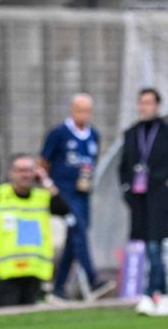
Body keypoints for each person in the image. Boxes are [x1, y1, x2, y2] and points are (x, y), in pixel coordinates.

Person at [118, 88, 168, 316]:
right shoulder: (132, 133)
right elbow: (123, 166)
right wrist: (126, 188)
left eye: (148, 103)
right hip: (138, 199)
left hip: (160, 199)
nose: (144, 107)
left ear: (157, 106)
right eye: (141, 103)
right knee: (142, 246)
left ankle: (158, 293)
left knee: (158, 246)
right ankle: (147, 293)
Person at [41, 93, 114, 300]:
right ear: (72, 111)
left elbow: (91, 163)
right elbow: (43, 162)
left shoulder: (93, 135)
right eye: (80, 110)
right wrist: (49, 186)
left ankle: (58, 288)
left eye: (87, 111)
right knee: (78, 232)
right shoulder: (59, 133)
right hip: (64, 194)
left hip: (83, 194)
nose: (84, 115)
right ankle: (93, 280)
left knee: (74, 239)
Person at [0, 154, 71, 307]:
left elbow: (64, 209)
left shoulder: (42, 197)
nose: (25, 175)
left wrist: (46, 181)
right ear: (11, 173)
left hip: (34, 268)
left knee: (29, 314)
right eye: (20, 170)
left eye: (29, 170)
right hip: (7, 270)